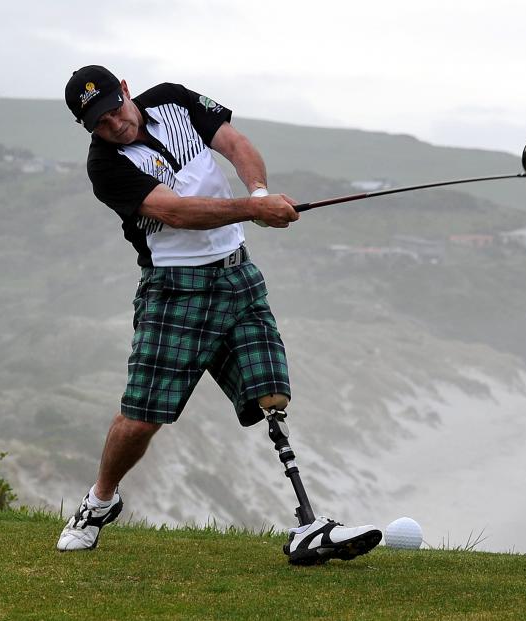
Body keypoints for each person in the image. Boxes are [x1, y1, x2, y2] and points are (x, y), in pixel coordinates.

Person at [57, 65, 381, 565]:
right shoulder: (105, 166)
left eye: (114, 110)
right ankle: (100, 500)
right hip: (175, 292)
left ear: (125, 90)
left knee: (271, 394)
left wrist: (258, 193)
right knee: (142, 420)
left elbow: (234, 143)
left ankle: (307, 526)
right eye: (98, 123)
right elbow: (177, 212)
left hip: (238, 276)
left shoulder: (172, 98)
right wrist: (255, 211)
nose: (113, 125)